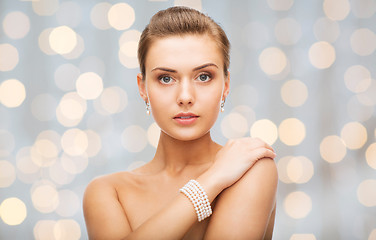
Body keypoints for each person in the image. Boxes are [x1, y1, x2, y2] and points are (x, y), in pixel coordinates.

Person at [83, 6, 278, 240]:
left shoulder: (249, 169)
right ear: (143, 88)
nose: (185, 96)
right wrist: (211, 181)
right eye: (166, 78)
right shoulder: (107, 192)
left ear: (225, 85)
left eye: (203, 76)